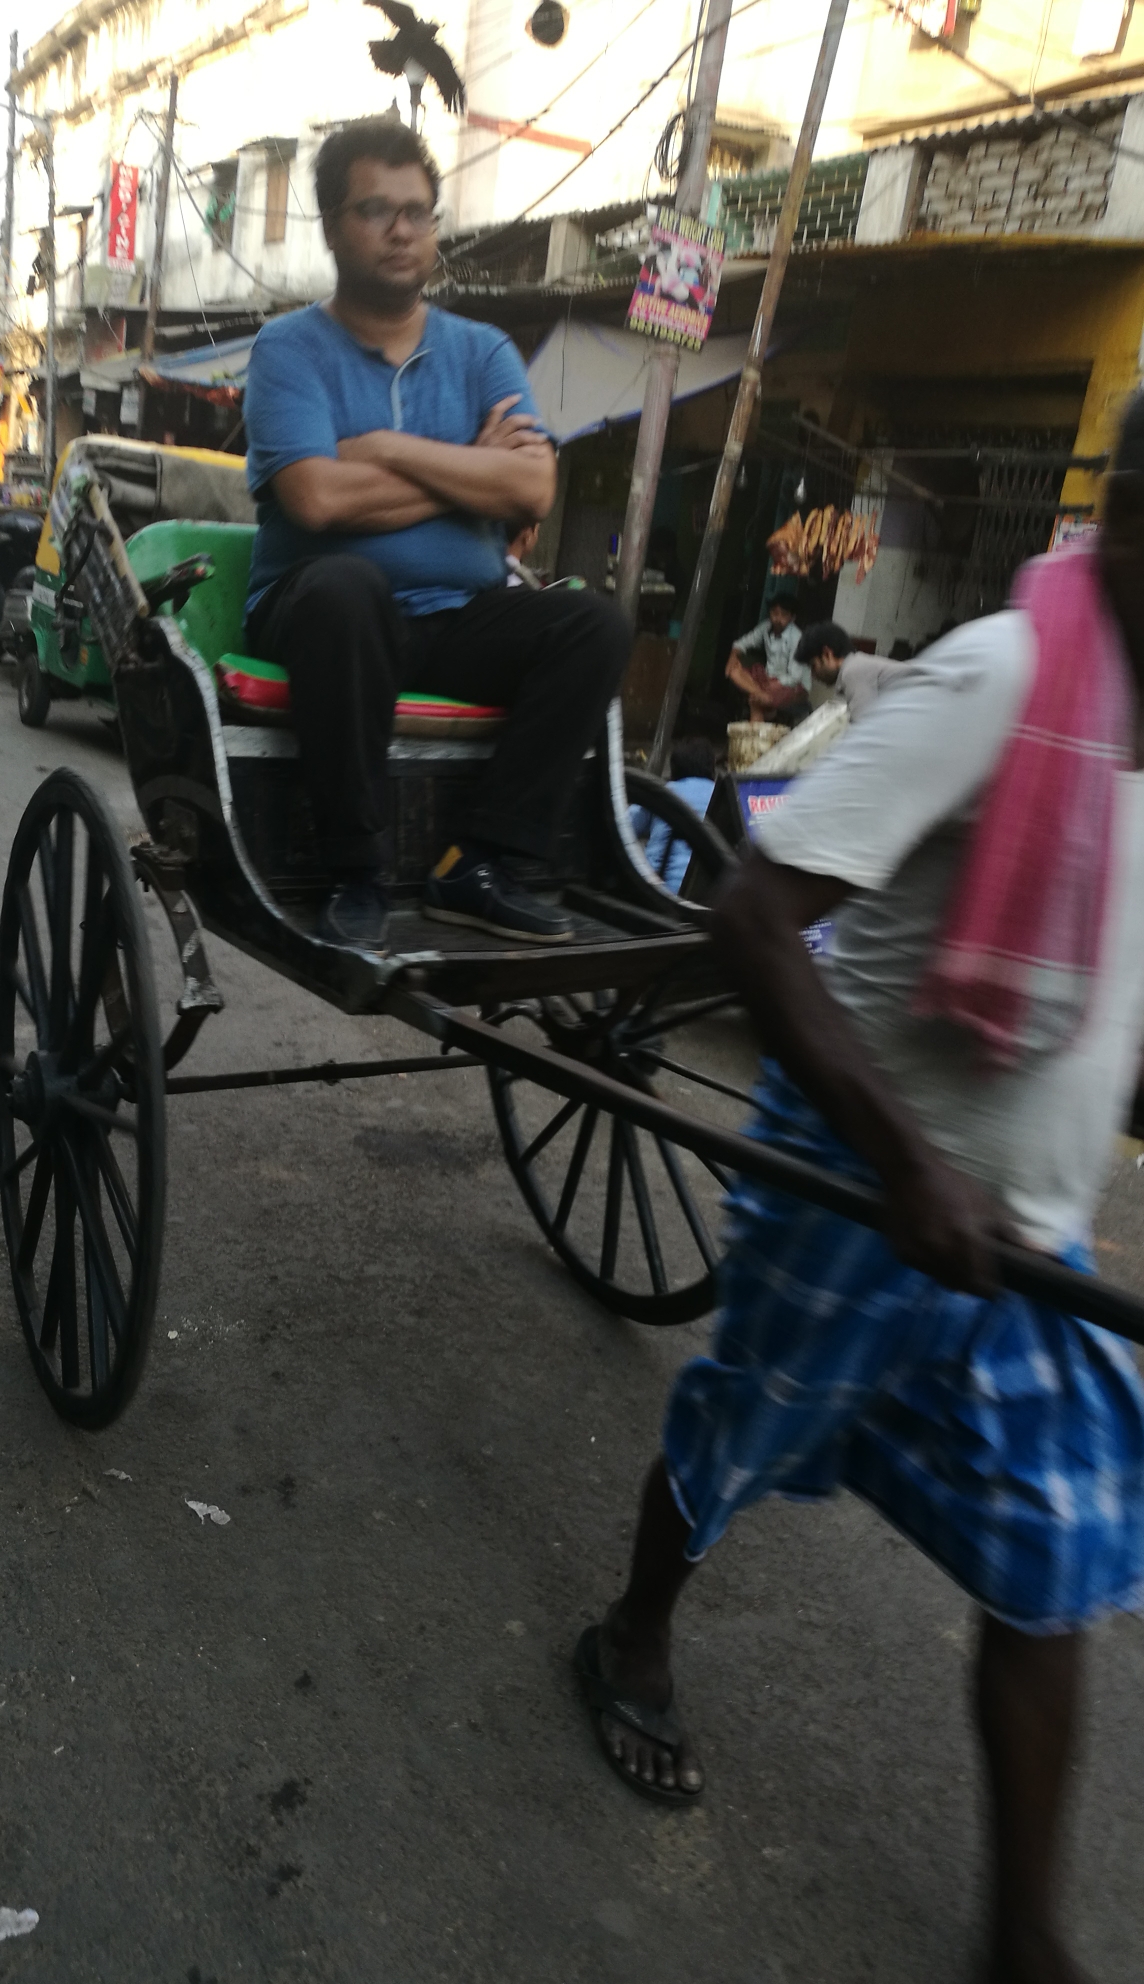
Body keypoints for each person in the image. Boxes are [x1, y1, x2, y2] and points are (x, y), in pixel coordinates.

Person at [576, 390, 1144, 1984]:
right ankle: (626, 1639)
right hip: (860, 1174)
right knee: (745, 1424)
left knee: (1055, 1568)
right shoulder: (1004, 679)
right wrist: (906, 1164)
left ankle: (1023, 1934)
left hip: (1020, 1229)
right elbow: (751, 923)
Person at [242, 118, 629, 952]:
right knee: (348, 588)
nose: (403, 230)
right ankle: (355, 870)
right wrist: (464, 478)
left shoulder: (483, 351)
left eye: (419, 212)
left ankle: (481, 864)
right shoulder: (287, 350)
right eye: (376, 209)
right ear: (334, 226)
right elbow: (314, 501)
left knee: (593, 623)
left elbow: (532, 483)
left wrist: (380, 451)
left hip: (461, 614)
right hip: (320, 618)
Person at [629, 737, 716, 893]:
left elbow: (625, 825)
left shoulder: (662, 792)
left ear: (673, 768)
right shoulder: (720, 795)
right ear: (712, 768)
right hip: (708, 893)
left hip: (660, 893)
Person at [724, 588, 808, 721]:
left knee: (755, 701)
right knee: (734, 670)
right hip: (768, 680)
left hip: (793, 686)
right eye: (774, 613)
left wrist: (774, 684)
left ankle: (762, 704)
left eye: (783, 615)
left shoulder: (797, 638)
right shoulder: (766, 627)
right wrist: (733, 656)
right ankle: (762, 696)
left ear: (792, 618)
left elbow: (795, 677)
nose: (777, 619)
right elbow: (742, 643)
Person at [796, 619, 905, 721]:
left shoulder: (853, 671)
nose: (813, 675)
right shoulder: (855, 666)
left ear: (827, 654)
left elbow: (864, 727)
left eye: (813, 666)